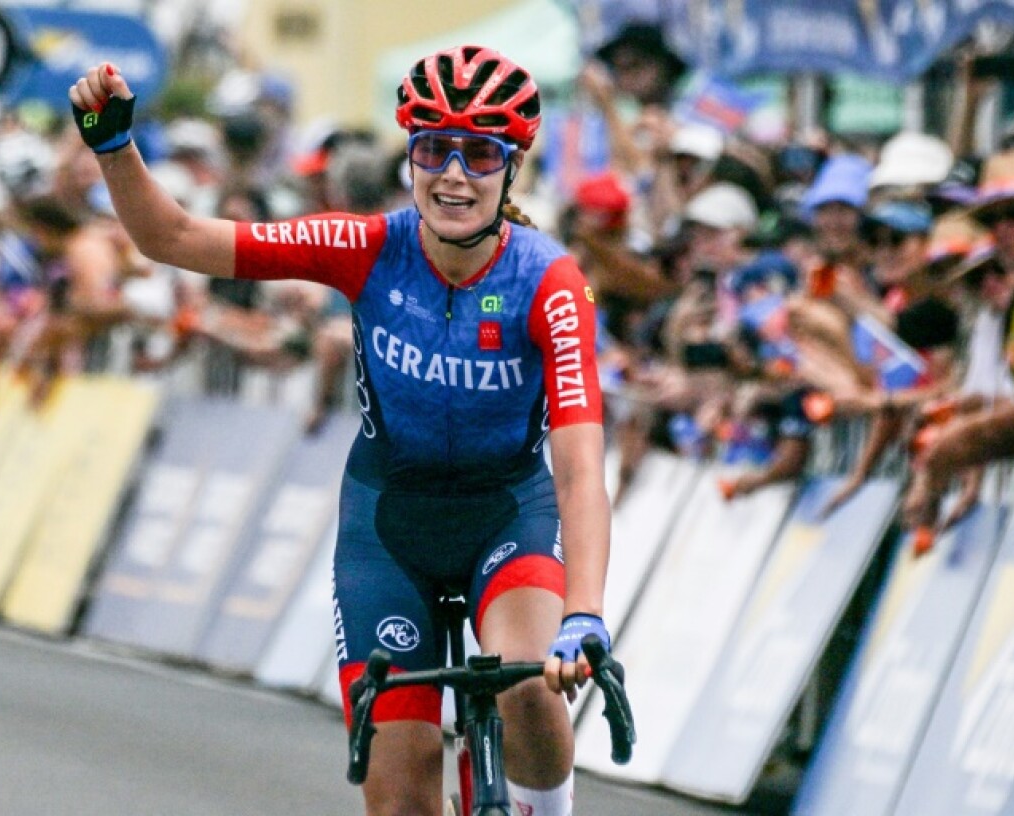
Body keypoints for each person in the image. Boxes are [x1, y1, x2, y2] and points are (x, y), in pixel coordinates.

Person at [69, 46, 618, 816]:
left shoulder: (549, 282)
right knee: (400, 800)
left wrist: (585, 611)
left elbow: (579, 470)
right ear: (410, 157)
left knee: (528, 680)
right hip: (389, 521)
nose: (454, 174)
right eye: (434, 148)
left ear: (512, 166)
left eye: (480, 153)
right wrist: (114, 146)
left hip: (506, 514)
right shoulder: (366, 248)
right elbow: (177, 239)